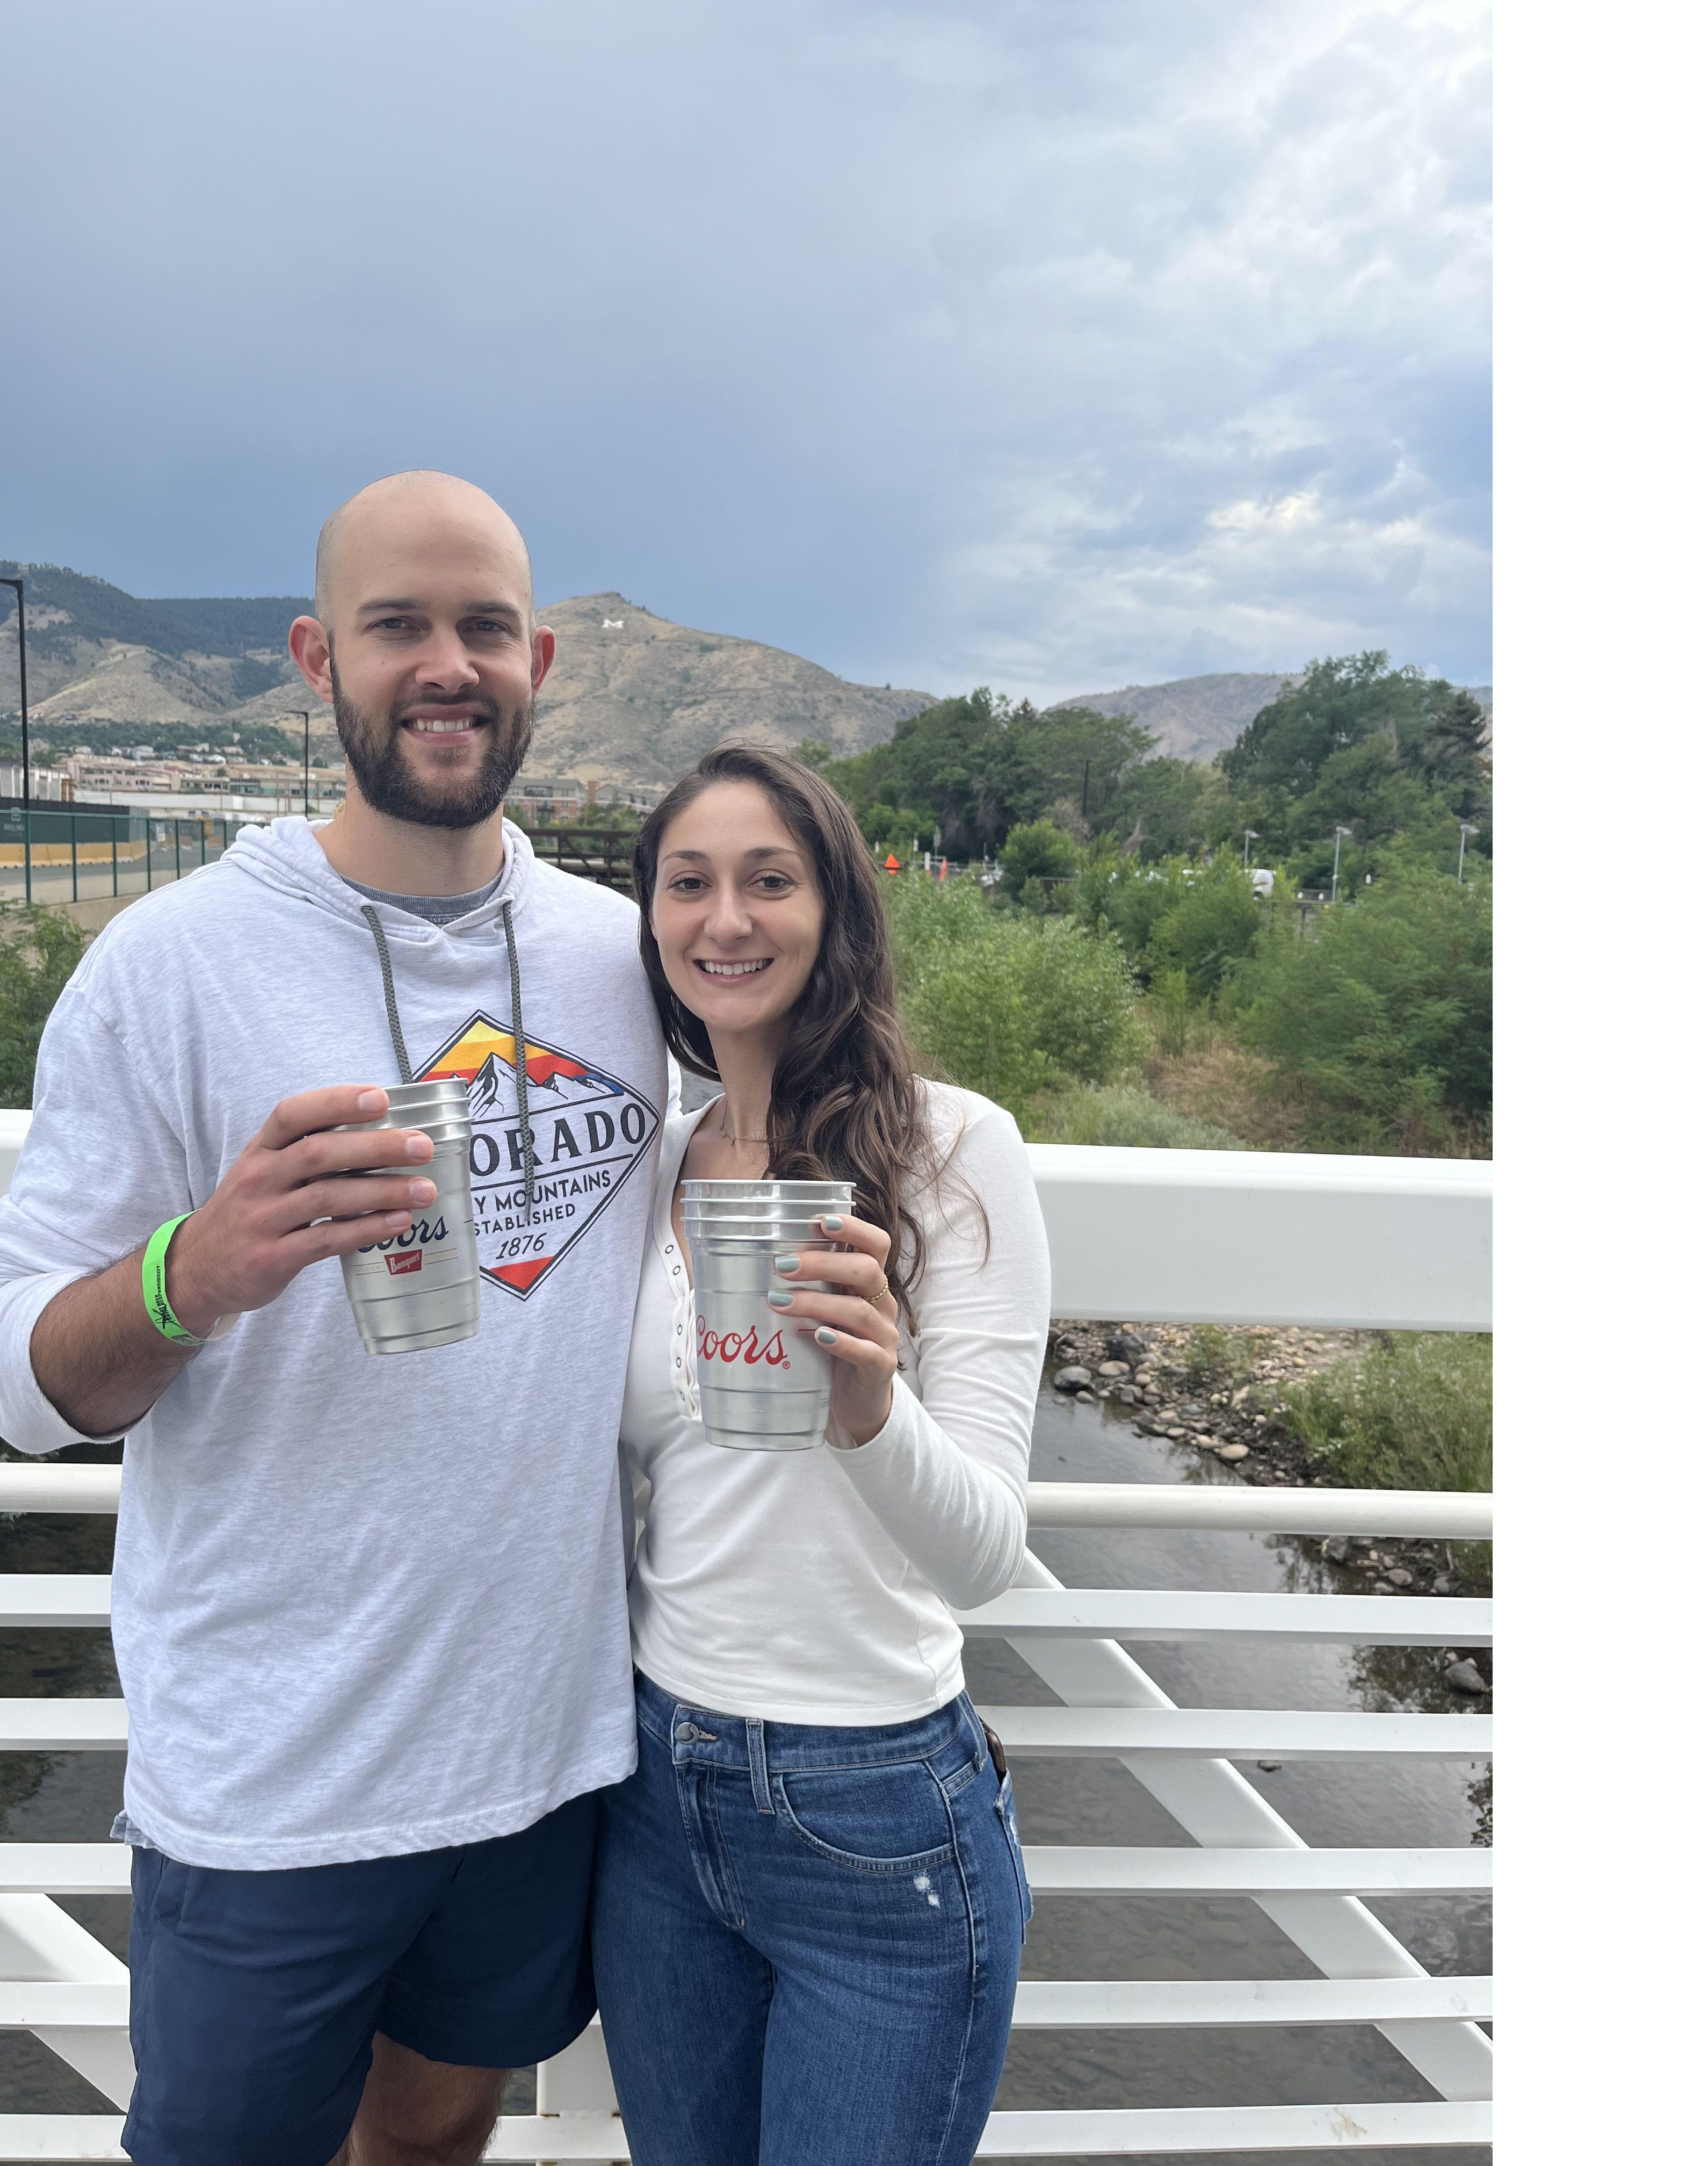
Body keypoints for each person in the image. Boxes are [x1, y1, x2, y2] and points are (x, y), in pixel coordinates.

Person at [0, 472, 670, 2166]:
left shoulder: (628, 958)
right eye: (397, 625)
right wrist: (193, 1271)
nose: (447, 664)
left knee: (435, 2135)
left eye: (485, 627)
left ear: (539, 662)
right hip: (269, 1777)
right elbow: (8, 1372)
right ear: (315, 658)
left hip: (538, 1747)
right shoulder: (173, 965)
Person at [591, 743, 1049, 2165]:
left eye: (769, 880)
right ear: (653, 922)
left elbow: (986, 1556)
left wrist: (871, 1407)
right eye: (689, 883)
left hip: (877, 1809)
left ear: (835, 909)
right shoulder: (648, 1164)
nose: (726, 919)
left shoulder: (954, 1152)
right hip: (656, 1790)